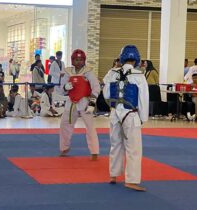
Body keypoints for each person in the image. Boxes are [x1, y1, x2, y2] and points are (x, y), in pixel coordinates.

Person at [103, 45, 149, 192]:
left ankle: (113, 175)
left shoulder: (112, 73)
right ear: (136, 59)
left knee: (115, 144)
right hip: (131, 114)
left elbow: (106, 94)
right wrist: (143, 118)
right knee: (133, 149)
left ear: (122, 57)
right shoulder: (139, 76)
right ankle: (131, 181)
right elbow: (143, 99)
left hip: (115, 113)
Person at [59, 49, 100, 160]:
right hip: (71, 102)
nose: (78, 62)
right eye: (76, 60)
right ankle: (64, 147)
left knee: (90, 127)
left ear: (84, 60)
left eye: (81, 60)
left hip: (85, 101)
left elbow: (96, 87)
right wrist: (65, 87)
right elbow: (61, 90)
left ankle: (94, 151)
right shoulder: (67, 72)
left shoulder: (88, 72)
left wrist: (92, 103)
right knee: (64, 124)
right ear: (73, 60)